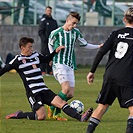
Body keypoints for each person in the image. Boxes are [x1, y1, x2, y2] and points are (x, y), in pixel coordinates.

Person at [0, 37, 92, 122]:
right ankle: (19, 115)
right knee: (41, 116)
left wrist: (55, 51)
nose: (31, 49)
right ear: (22, 48)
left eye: (32, 47)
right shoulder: (17, 60)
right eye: (29, 47)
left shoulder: (35, 55)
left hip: (44, 89)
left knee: (61, 102)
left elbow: (46, 59)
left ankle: (81, 117)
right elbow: (3, 70)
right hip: (33, 93)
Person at [48, 12, 102, 121]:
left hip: (70, 65)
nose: (75, 26)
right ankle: (57, 112)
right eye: (73, 23)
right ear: (67, 21)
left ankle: (53, 105)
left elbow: (84, 44)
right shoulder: (56, 32)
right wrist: (51, 56)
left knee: (70, 94)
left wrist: (98, 46)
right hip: (59, 63)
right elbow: (50, 43)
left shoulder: (75, 32)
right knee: (66, 88)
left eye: (76, 24)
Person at [86, 7, 133, 133]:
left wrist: (92, 71)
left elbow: (101, 52)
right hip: (126, 76)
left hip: (109, 75)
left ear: (124, 19)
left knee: (101, 107)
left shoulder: (115, 33)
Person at [38, 6, 58, 75]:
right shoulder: (43, 21)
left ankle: (49, 70)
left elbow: (56, 31)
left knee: (51, 54)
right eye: (48, 10)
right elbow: (40, 31)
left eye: (50, 11)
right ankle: (42, 70)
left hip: (52, 42)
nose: (49, 12)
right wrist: (44, 39)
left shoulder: (54, 21)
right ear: (45, 11)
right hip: (45, 42)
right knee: (44, 55)